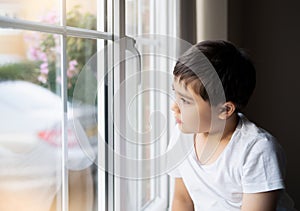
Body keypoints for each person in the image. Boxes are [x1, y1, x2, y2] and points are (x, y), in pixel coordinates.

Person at [168, 40, 295, 211]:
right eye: (176, 94)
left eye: (185, 101)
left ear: (224, 109)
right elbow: (182, 200)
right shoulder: (182, 135)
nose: (174, 106)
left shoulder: (257, 150)